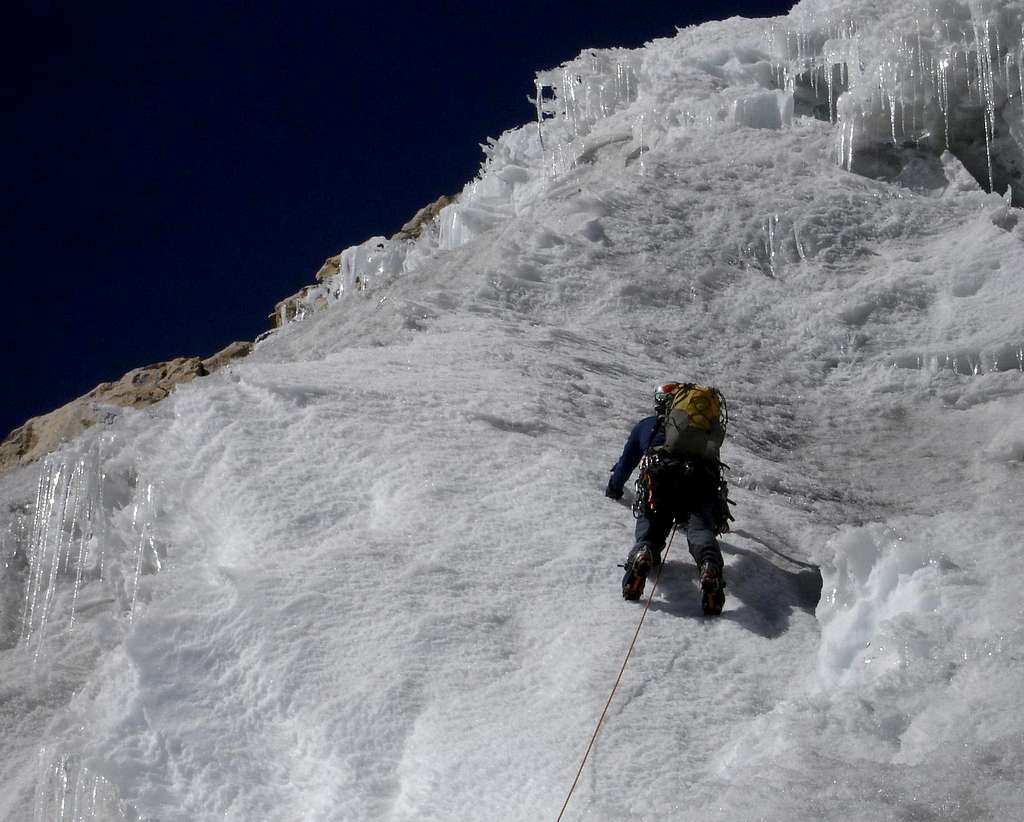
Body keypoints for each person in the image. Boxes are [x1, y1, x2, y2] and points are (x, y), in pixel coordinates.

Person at [605, 382, 727, 615]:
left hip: (660, 482)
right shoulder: (700, 434)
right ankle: (709, 565)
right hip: (701, 481)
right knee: (700, 530)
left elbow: (625, 465)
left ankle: (644, 553)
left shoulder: (647, 426)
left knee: (652, 526)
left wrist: (614, 489)